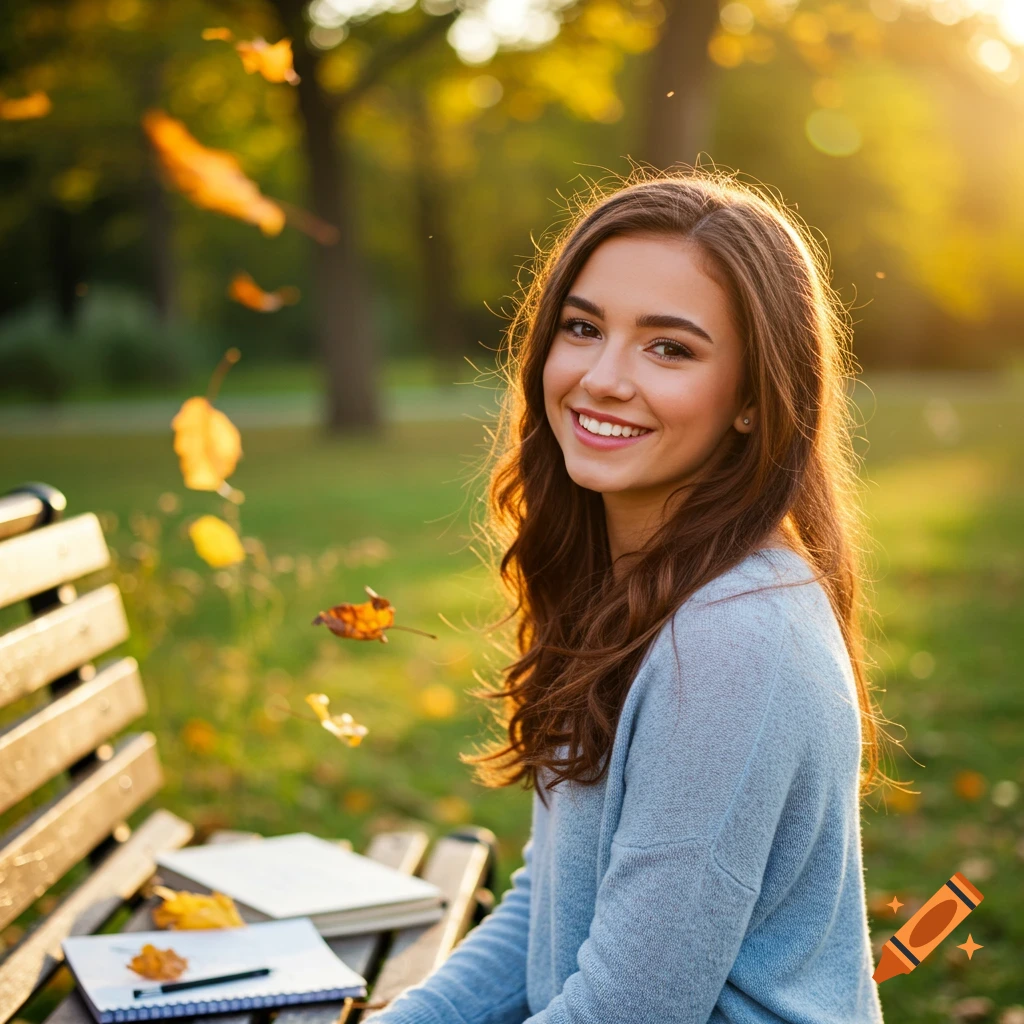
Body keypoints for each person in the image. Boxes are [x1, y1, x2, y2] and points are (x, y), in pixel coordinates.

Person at [369, 170, 900, 1023]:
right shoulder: (631, 585)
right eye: (583, 328)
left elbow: (629, 1011)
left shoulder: (732, 639)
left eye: (670, 348)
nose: (602, 378)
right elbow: (550, 908)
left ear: (755, 402)